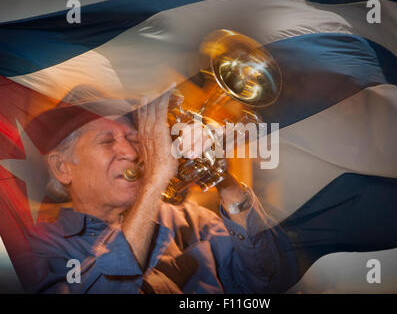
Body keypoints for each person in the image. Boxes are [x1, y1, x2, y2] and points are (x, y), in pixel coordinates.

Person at [23, 85, 300, 294]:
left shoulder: (192, 219)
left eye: (133, 138)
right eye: (107, 141)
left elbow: (274, 280)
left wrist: (225, 182)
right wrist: (156, 181)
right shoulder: (39, 248)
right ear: (62, 167)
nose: (131, 152)